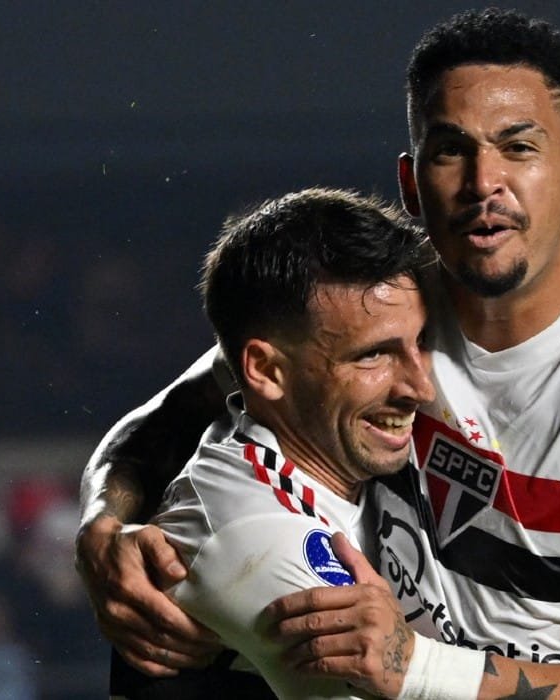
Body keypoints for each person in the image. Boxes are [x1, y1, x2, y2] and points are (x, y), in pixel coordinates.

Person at [76, 7, 560, 699]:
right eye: (451, 150)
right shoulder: (388, 310)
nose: (482, 182)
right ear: (410, 183)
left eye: (519, 148)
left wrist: (424, 668)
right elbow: (173, 415)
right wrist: (102, 524)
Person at [150, 187, 435, 698]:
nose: (420, 388)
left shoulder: (324, 458)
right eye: (374, 357)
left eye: (422, 344)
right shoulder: (260, 537)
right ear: (266, 370)